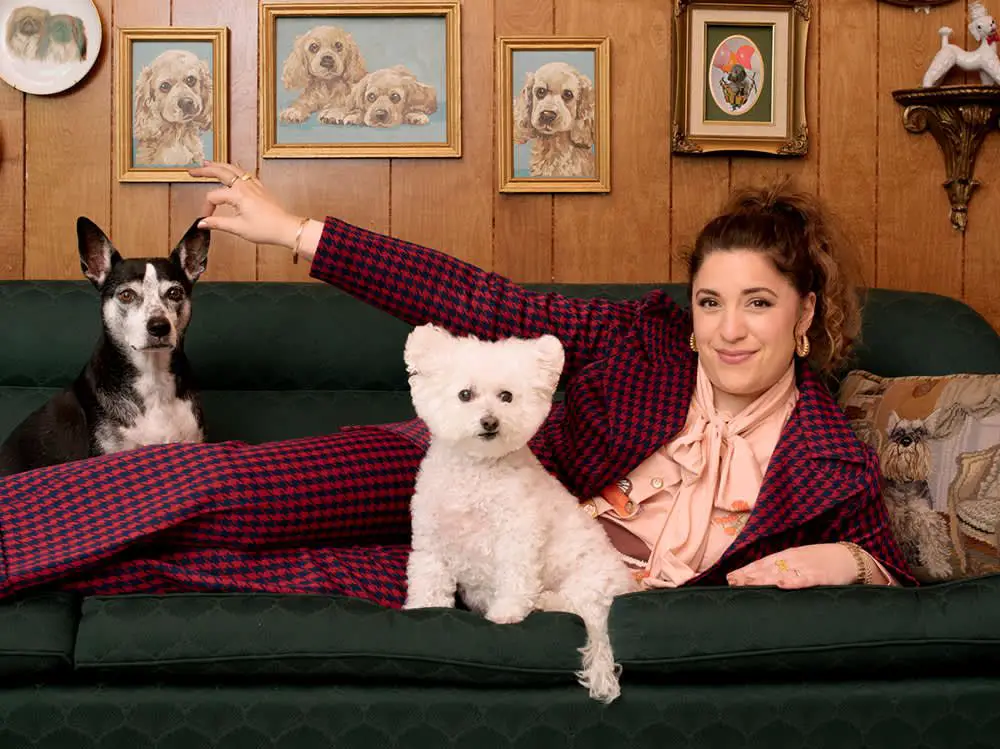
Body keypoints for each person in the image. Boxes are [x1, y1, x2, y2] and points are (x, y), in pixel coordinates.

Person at [0, 163, 912, 607]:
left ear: (805, 315)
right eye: (711, 300)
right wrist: (296, 233)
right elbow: (483, 299)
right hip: (456, 465)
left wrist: (850, 563)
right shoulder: (645, 340)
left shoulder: (825, 453)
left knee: (230, 578)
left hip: (508, 574)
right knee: (220, 484)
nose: (728, 328)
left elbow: (885, 555)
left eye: (758, 303)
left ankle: (52, 580)